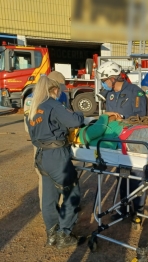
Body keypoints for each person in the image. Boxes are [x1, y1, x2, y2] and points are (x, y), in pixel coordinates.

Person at [26, 75, 84, 249]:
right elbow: (74, 121)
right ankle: (64, 234)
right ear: (55, 90)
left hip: (42, 156)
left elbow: (33, 135)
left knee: (49, 197)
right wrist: (79, 113)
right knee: (72, 193)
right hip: (56, 155)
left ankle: (52, 233)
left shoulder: (35, 107)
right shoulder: (53, 104)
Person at [96, 61, 148, 223]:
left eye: (105, 79)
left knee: (137, 177)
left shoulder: (136, 93)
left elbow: (143, 120)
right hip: (118, 142)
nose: (104, 83)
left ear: (113, 78)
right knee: (121, 176)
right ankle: (123, 208)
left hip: (134, 142)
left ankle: (138, 211)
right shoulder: (109, 94)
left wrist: (124, 120)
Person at [24, 71, 70, 210]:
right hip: (42, 146)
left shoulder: (63, 96)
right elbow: (29, 126)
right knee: (45, 179)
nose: (60, 90)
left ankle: (62, 206)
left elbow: (67, 115)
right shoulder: (32, 99)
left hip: (60, 145)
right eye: (58, 87)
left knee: (62, 177)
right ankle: (48, 210)